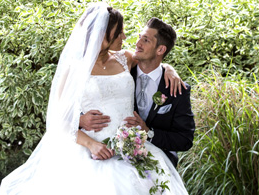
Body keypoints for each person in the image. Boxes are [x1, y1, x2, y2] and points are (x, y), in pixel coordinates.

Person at [0, 2, 189, 194]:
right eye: (119, 32)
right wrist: (90, 142)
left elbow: (153, 62)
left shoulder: (125, 58)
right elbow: (57, 120)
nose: (124, 36)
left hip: (131, 147)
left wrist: (170, 70)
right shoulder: (73, 69)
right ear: (102, 34)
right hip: (90, 150)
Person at [80, 17, 195, 168]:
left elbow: (184, 139)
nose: (137, 43)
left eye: (145, 40)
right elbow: (69, 111)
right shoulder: (122, 74)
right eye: (139, 37)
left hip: (153, 160)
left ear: (160, 50)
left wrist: (148, 132)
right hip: (100, 153)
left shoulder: (177, 90)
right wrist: (80, 120)